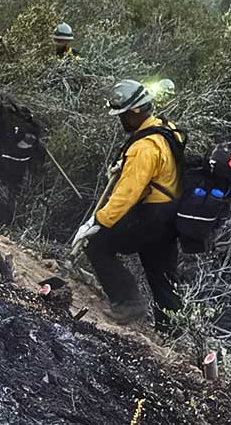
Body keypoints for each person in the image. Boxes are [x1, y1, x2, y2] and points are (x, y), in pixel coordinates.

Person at [72, 79, 183, 331]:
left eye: (122, 115)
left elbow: (126, 194)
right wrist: (125, 166)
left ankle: (128, 302)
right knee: (162, 276)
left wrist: (99, 221)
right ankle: (172, 332)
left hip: (152, 216)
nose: (120, 120)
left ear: (134, 113)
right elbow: (160, 168)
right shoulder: (164, 128)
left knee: (97, 243)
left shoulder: (144, 147)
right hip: (170, 215)